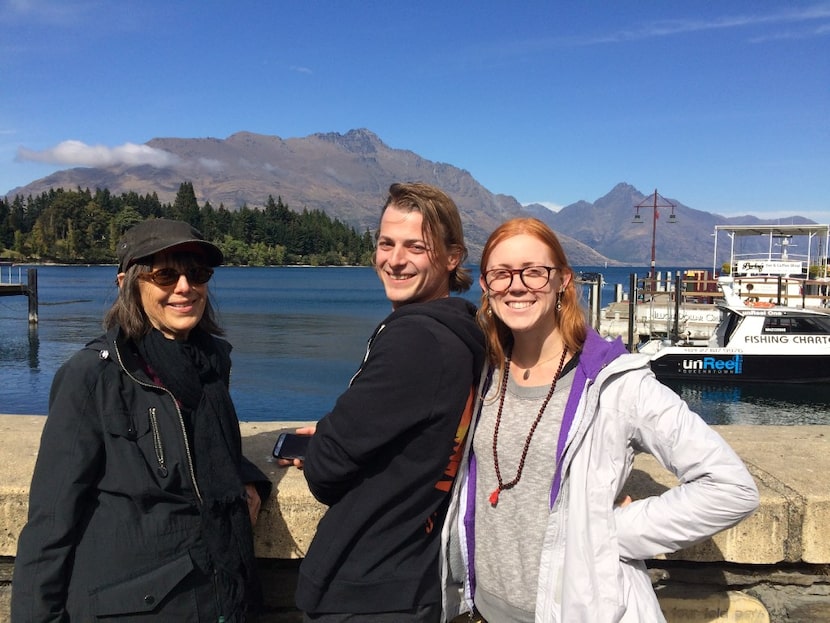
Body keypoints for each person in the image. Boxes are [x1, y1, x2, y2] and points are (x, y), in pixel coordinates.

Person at [440, 218, 760, 623]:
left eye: (534, 272)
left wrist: (614, 530)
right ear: (486, 287)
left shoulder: (616, 384)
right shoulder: (484, 372)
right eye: (501, 274)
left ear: (563, 281)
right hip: (481, 610)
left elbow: (731, 488)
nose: (516, 285)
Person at [12, 218, 272, 622]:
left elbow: (199, 441)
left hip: (213, 597)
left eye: (197, 274)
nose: (184, 287)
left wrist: (241, 471)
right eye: (165, 275)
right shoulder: (93, 375)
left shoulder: (210, 364)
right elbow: (50, 520)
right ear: (128, 284)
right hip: (132, 606)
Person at [289, 182, 486, 622]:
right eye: (386, 243)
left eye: (416, 246)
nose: (395, 260)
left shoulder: (415, 340)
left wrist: (326, 444)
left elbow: (325, 471)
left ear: (453, 257)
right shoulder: (460, 332)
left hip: (367, 587)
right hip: (411, 574)